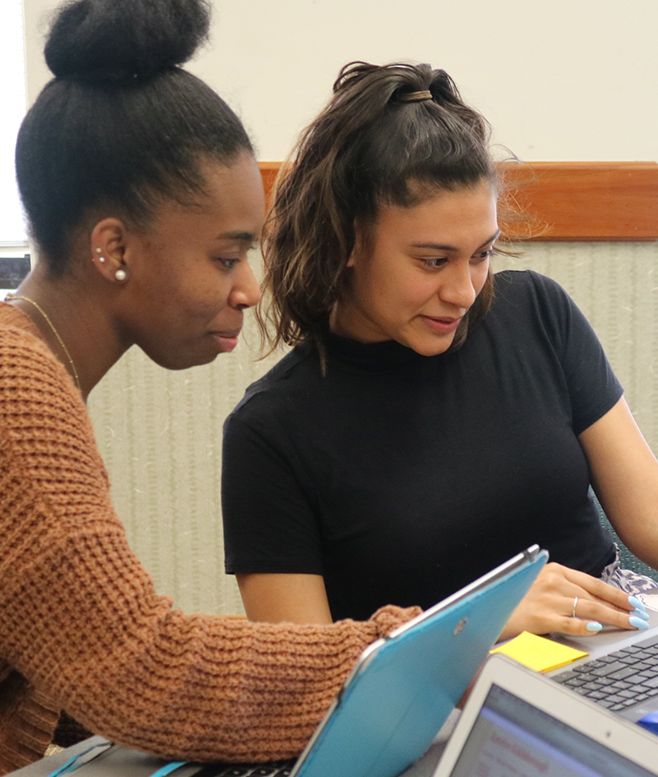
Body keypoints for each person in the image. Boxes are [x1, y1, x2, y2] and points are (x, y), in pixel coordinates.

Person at [0, 9, 422, 777]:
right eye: (225, 255)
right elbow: (146, 670)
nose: (248, 288)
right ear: (113, 247)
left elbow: (81, 649)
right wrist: (406, 647)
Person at [221, 61, 658, 641]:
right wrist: (485, 621)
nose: (464, 292)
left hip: (615, 651)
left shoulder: (538, 314)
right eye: (433, 261)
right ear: (347, 241)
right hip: (451, 704)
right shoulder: (270, 435)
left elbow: (650, 519)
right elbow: (302, 682)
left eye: (481, 254)